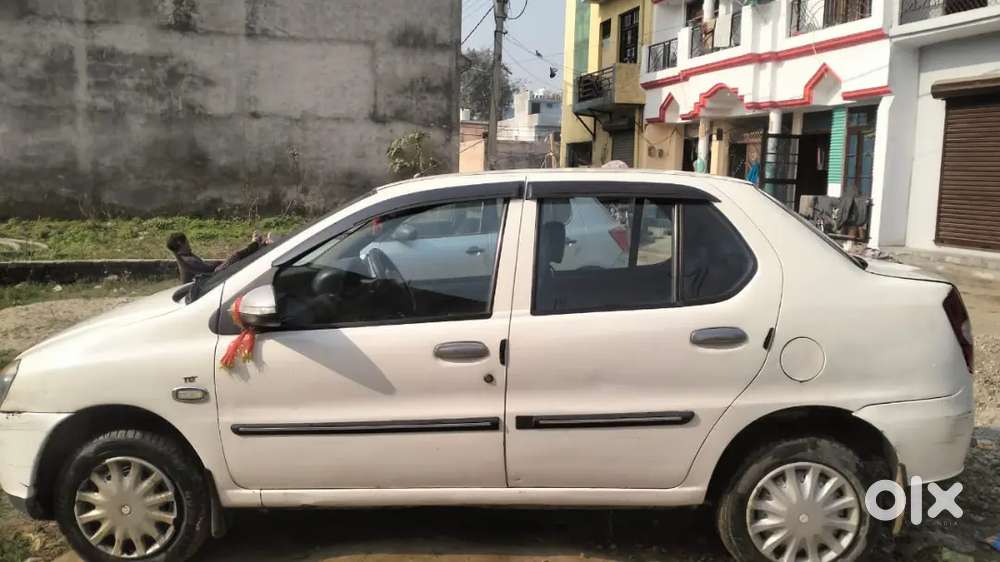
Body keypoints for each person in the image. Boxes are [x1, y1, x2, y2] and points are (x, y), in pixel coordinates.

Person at [166, 231, 270, 283]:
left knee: (235, 259)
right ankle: (256, 243)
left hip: (209, 277)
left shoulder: (185, 256)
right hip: (210, 280)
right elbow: (208, 269)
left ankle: (261, 245)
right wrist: (222, 262)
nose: (189, 244)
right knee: (235, 256)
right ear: (180, 243)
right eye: (187, 242)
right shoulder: (187, 260)